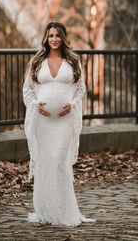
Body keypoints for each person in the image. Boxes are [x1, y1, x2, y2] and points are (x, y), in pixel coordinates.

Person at [23, 21, 96, 226]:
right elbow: (27, 89)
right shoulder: (37, 61)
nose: (54, 39)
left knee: (59, 162)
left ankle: (64, 212)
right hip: (43, 122)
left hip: (64, 121)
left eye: (57, 35)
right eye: (50, 35)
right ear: (46, 38)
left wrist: (72, 104)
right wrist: (36, 105)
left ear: (63, 37)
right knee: (46, 164)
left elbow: (80, 89)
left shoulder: (73, 61)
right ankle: (46, 210)